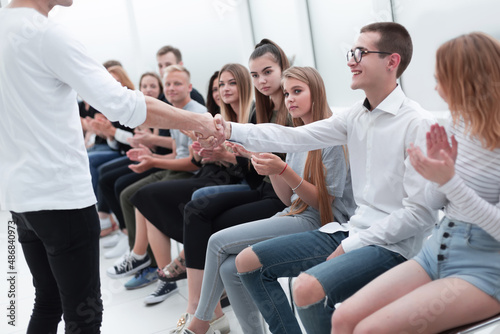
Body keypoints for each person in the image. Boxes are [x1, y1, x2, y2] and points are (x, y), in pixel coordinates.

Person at [0, 2, 218, 333]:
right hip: (60, 198)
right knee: (83, 316)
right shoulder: (44, 34)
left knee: (47, 301)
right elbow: (124, 104)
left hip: (21, 198)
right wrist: (198, 120)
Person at [212, 22, 437, 334]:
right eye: (350, 52)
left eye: (360, 52)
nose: (351, 60)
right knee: (247, 263)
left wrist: (354, 242)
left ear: (392, 61)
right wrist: (228, 128)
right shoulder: (354, 117)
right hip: (350, 230)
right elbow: (291, 137)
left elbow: (421, 215)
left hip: (392, 245)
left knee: (307, 290)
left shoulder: (417, 124)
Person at [330, 31, 500, 334]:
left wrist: (449, 180)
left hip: (486, 266)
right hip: (439, 248)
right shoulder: (459, 124)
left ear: (466, 81)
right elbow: (436, 202)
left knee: (370, 330)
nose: (435, 87)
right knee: (342, 319)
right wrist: (436, 174)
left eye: (441, 79)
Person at [184, 67, 355, 334]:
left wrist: (283, 170)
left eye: (297, 91)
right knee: (230, 267)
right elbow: (287, 198)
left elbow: (324, 206)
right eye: (287, 93)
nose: (289, 99)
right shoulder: (297, 136)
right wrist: (267, 165)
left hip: (321, 222)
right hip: (295, 213)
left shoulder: (331, 139)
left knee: (217, 242)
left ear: (317, 92)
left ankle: (199, 324)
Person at [111, 64, 255, 306]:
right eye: (220, 86)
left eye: (231, 84)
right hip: (213, 171)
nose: (223, 91)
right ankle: (158, 266)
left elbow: (242, 164)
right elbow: (195, 158)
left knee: (151, 195)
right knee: (142, 195)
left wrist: (215, 154)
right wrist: (202, 151)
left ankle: (171, 265)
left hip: (229, 177)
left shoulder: (241, 115)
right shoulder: (219, 114)